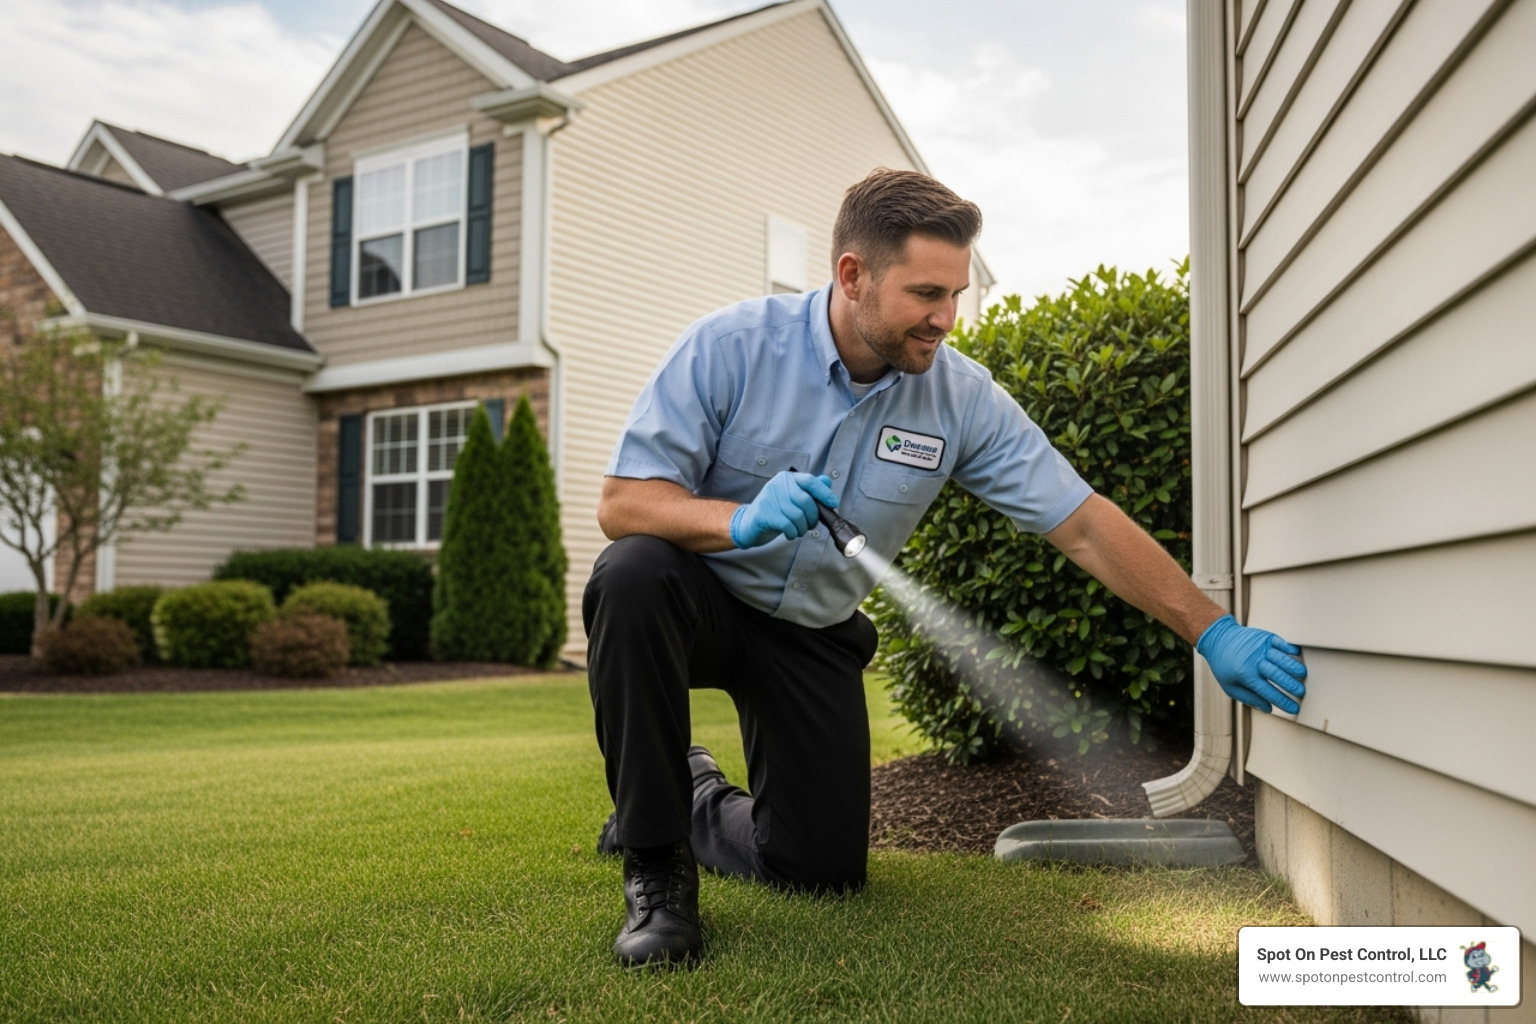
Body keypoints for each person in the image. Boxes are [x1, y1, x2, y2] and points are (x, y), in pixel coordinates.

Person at [584, 168, 1307, 969]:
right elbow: (623, 504)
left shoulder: (959, 400)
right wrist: (738, 519)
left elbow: (1085, 524)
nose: (946, 319)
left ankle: (688, 791)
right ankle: (656, 872)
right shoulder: (730, 349)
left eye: (957, 293)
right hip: (702, 601)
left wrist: (1211, 630)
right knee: (632, 574)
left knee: (819, 872)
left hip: (812, 630)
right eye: (927, 292)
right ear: (853, 275)